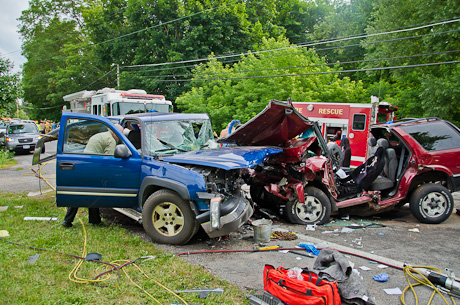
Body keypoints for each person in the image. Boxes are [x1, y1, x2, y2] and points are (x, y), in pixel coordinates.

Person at [62, 124, 123, 227]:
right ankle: (68, 221)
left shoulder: (102, 135)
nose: (120, 136)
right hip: (92, 168)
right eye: (119, 134)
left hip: (85, 165)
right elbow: (110, 161)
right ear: (114, 132)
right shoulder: (111, 140)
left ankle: (94, 221)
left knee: (90, 194)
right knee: (83, 195)